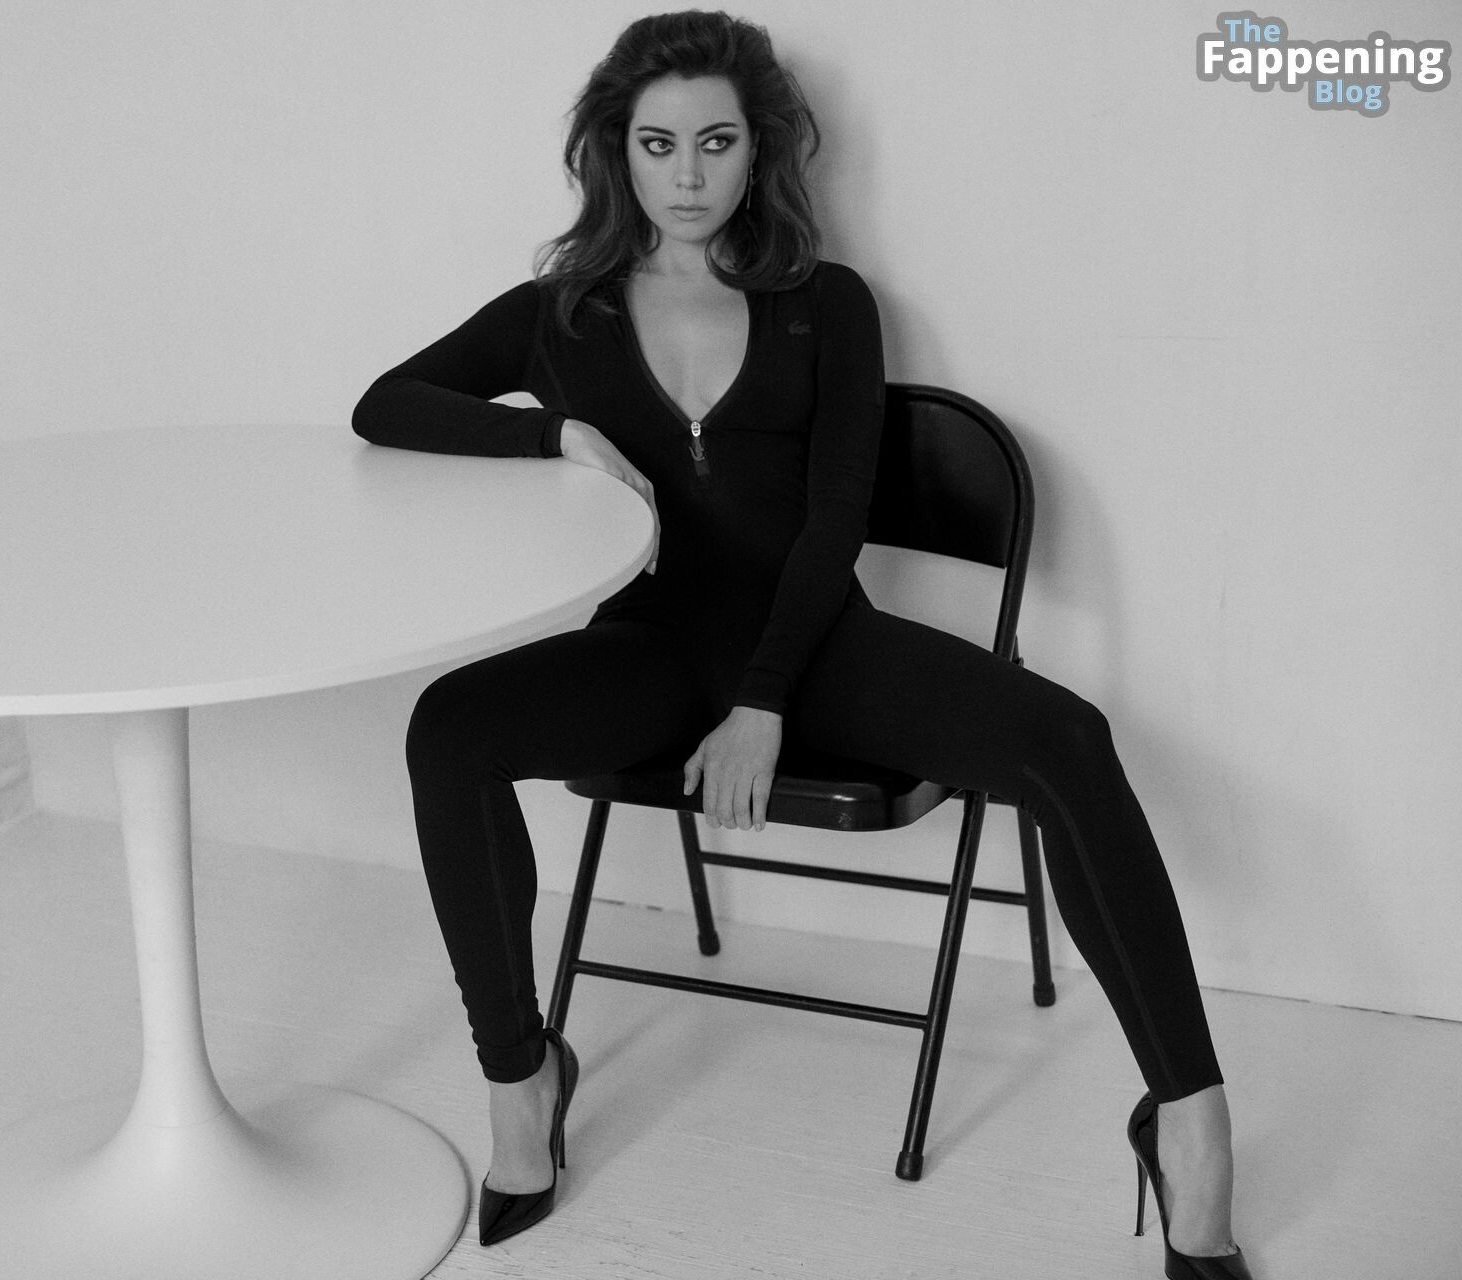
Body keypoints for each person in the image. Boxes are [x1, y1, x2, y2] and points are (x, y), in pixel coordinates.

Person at [351, 11, 1254, 1275]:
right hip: (652, 650)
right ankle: (520, 1074)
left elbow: (835, 521)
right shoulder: (561, 314)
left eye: (715, 142)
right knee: (448, 726)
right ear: (615, 151)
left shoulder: (825, 303)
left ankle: (1190, 1118)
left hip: (821, 648)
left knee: (1068, 737)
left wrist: (764, 699)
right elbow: (384, 403)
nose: (686, 174)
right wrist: (551, 434)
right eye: (657, 144)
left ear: (759, 147)